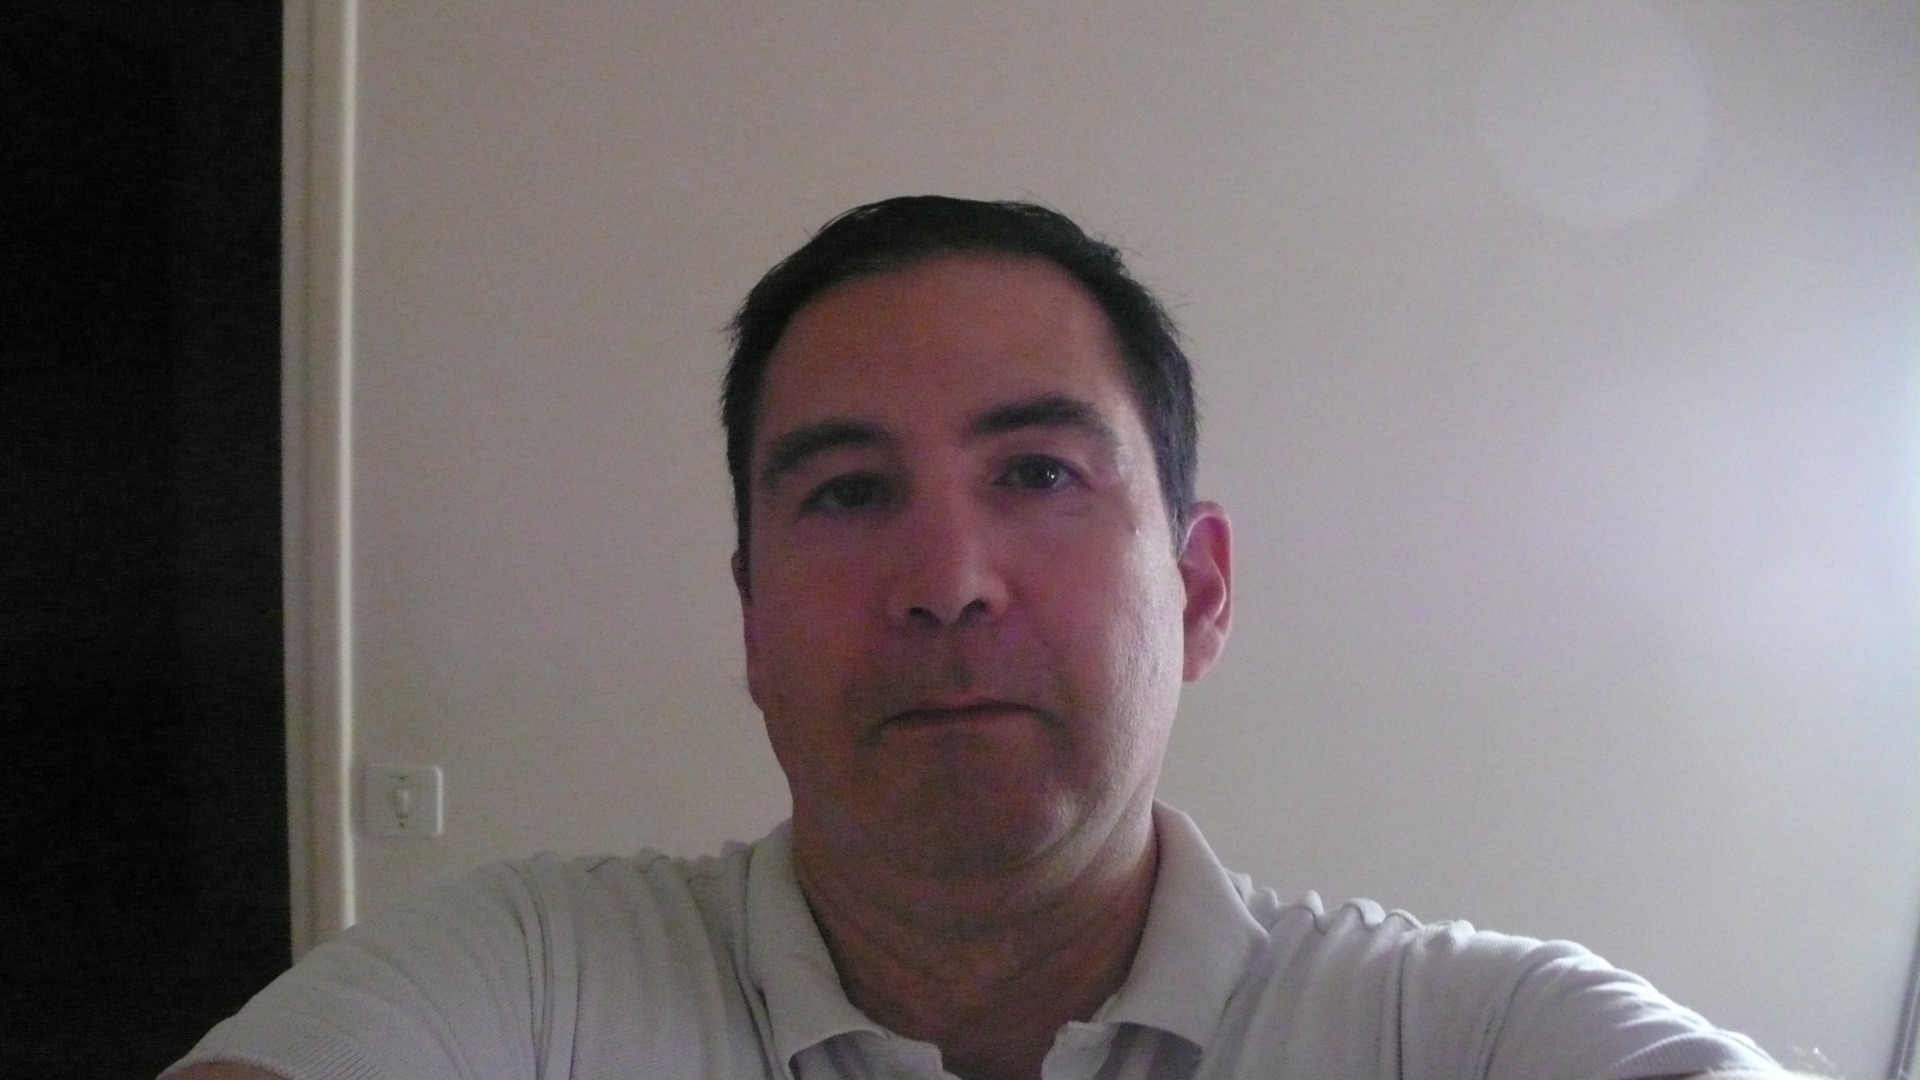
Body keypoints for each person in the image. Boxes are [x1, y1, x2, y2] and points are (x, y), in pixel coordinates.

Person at [167, 196, 1791, 1080]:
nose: (946, 581)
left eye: (1039, 475)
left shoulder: (1462, 1033)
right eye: (847, 492)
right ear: (750, 620)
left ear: (1200, 592)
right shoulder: (522, 986)